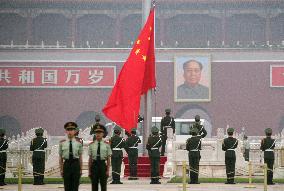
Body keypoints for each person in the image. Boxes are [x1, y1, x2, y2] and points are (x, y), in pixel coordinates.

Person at [59, 122, 83, 191]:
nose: (70, 131)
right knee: (67, 186)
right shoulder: (62, 143)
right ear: (66, 131)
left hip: (75, 164)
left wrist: (81, 169)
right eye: (68, 130)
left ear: (75, 131)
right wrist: (61, 169)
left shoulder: (79, 143)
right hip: (66, 164)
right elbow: (60, 158)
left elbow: (80, 157)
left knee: (75, 186)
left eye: (72, 130)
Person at [89, 123, 112, 191]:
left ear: (103, 134)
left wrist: (108, 170)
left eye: (100, 132)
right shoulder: (91, 145)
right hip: (94, 165)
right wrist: (89, 170)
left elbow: (108, 159)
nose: (98, 134)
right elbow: (90, 159)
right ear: (95, 134)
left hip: (102, 165)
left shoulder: (106, 145)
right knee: (94, 185)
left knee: (103, 185)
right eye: (96, 132)